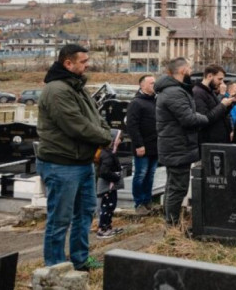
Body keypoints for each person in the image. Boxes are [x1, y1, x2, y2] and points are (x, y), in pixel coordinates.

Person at [36, 44, 111, 271]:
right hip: (61, 163)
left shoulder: (77, 87)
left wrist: (106, 131)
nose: (87, 65)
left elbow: (95, 117)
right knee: (60, 218)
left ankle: (80, 259)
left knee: (85, 213)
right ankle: (55, 267)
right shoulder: (57, 90)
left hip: (82, 162)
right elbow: (76, 126)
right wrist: (106, 138)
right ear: (68, 63)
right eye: (83, 61)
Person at [157, 57, 225, 226]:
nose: (191, 71)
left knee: (173, 187)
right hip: (177, 147)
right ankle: (172, 227)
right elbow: (189, 119)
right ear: (182, 71)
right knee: (177, 188)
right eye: (189, 68)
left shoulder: (175, 90)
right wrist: (203, 118)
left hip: (177, 145)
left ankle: (171, 224)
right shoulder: (174, 92)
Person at [126, 74, 158, 215]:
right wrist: (139, 145)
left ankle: (147, 201)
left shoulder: (155, 101)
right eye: (151, 83)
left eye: (154, 83)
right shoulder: (136, 103)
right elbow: (132, 126)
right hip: (142, 146)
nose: (154, 85)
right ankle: (139, 203)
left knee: (150, 175)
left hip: (154, 145)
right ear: (142, 85)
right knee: (140, 174)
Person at [193, 64, 236, 145]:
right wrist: (223, 105)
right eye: (219, 79)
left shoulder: (210, 91)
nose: (222, 83)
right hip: (209, 141)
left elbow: (219, 114)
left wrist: (230, 102)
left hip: (218, 140)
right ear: (209, 76)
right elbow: (205, 118)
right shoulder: (198, 93)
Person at [96, 129, 124, 239]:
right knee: (106, 207)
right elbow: (104, 172)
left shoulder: (110, 153)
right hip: (108, 186)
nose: (120, 142)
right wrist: (116, 177)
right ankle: (102, 229)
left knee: (110, 206)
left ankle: (107, 226)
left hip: (110, 185)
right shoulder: (107, 155)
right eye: (119, 139)